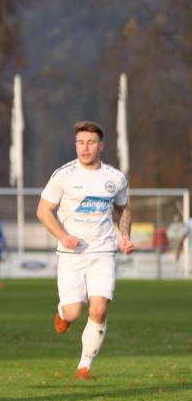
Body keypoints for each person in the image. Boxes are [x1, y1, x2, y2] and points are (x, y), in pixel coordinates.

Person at [37, 121, 134, 380]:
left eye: (90, 142)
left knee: (99, 308)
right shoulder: (64, 175)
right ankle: (63, 313)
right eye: (80, 142)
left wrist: (124, 236)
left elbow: (123, 209)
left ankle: (84, 365)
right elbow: (43, 211)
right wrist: (63, 236)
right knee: (73, 312)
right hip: (71, 255)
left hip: (103, 253)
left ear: (101, 145)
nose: (85, 147)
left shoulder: (115, 178)